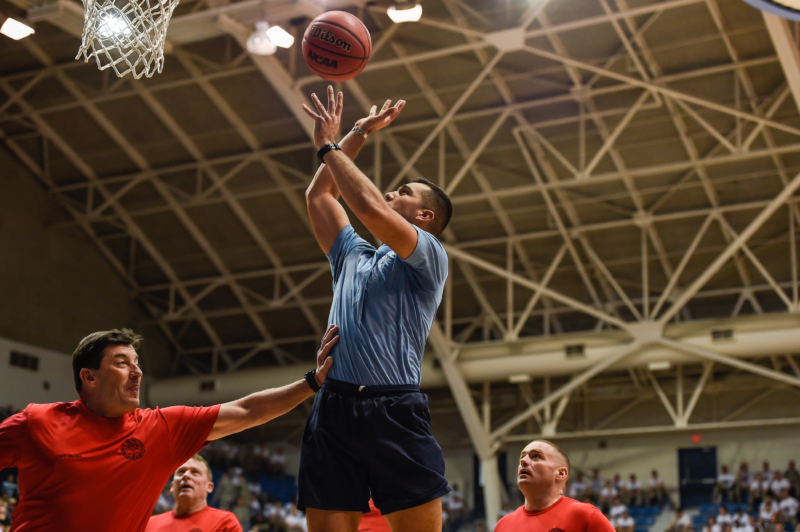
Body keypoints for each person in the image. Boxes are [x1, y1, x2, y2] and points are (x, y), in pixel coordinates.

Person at [0, 326, 339, 531]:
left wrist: (312, 382)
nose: (137, 372)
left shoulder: (161, 429)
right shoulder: (37, 421)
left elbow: (248, 410)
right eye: (122, 363)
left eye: (137, 363)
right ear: (88, 377)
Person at [299, 86, 454, 532]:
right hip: (334, 405)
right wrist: (357, 133)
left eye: (403, 191)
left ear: (424, 217)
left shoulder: (429, 253)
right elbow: (320, 197)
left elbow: (365, 204)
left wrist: (328, 145)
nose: (391, 191)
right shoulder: (353, 254)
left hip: (392, 406)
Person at [494, 439, 615, 531]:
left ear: (561, 473)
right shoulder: (502, 525)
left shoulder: (586, 516)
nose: (523, 461)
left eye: (536, 456)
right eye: (522, 457)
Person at [146, 454, 242, 532]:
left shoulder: (225, 523)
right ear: (172, 486)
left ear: (209, 487)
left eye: (195, 472)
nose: (186, 475)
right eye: (181, 472)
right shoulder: (149, 524)